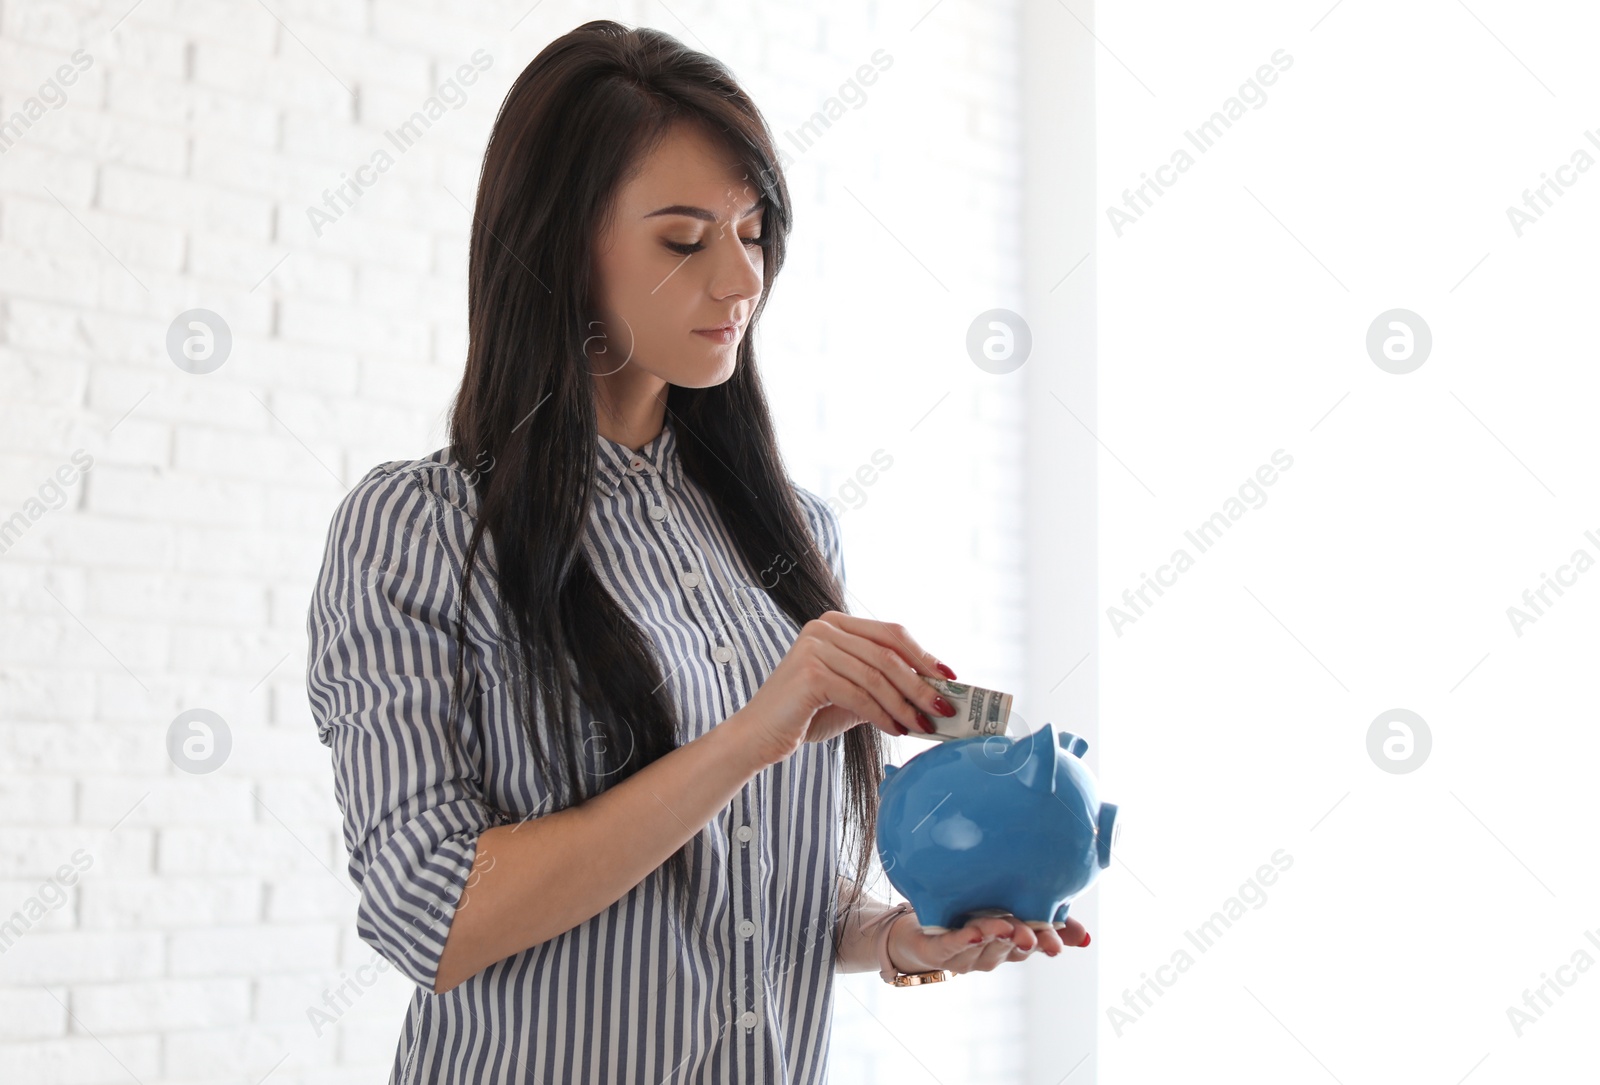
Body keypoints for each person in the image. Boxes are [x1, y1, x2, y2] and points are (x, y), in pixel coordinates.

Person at [304, 19, 1088, 1084]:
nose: (740, 280)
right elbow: (429, 913)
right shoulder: (423, 530)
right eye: (684, 239)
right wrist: (753, 733)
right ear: (557, 243)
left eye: (755, 232)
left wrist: (898, 937)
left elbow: (762, 891)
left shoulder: (796, 532)